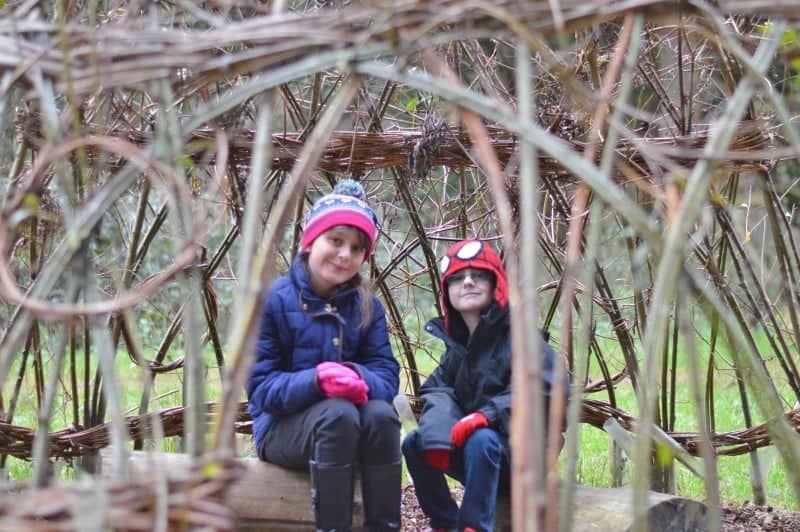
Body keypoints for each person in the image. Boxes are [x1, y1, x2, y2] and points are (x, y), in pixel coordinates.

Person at [247, 179, 401, 532]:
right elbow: (260, 388)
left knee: (381, 415)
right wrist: (318, 380)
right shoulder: (273, 301)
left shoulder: (367, 307)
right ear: (309, 241)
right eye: (335, 241)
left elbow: (387, 376)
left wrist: (356, 377)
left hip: (351, 426)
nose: (345, 254)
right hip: (281, 431)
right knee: (337, 413)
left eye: (356, 248)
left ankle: (385, 526)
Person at [402, 239, 568, 532]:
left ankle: (474, 526)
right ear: (447, 292)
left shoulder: (519, 335)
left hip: (524, 459)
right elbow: (436, 389)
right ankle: (446, 523)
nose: (467, 283)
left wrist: (486, 415)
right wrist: (441, 433)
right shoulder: (457, 346)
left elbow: (548, 386)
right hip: (480, 457)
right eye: (457, 278)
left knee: (483, 439)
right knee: (415, 443)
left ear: (496, 286)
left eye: (477, 276)